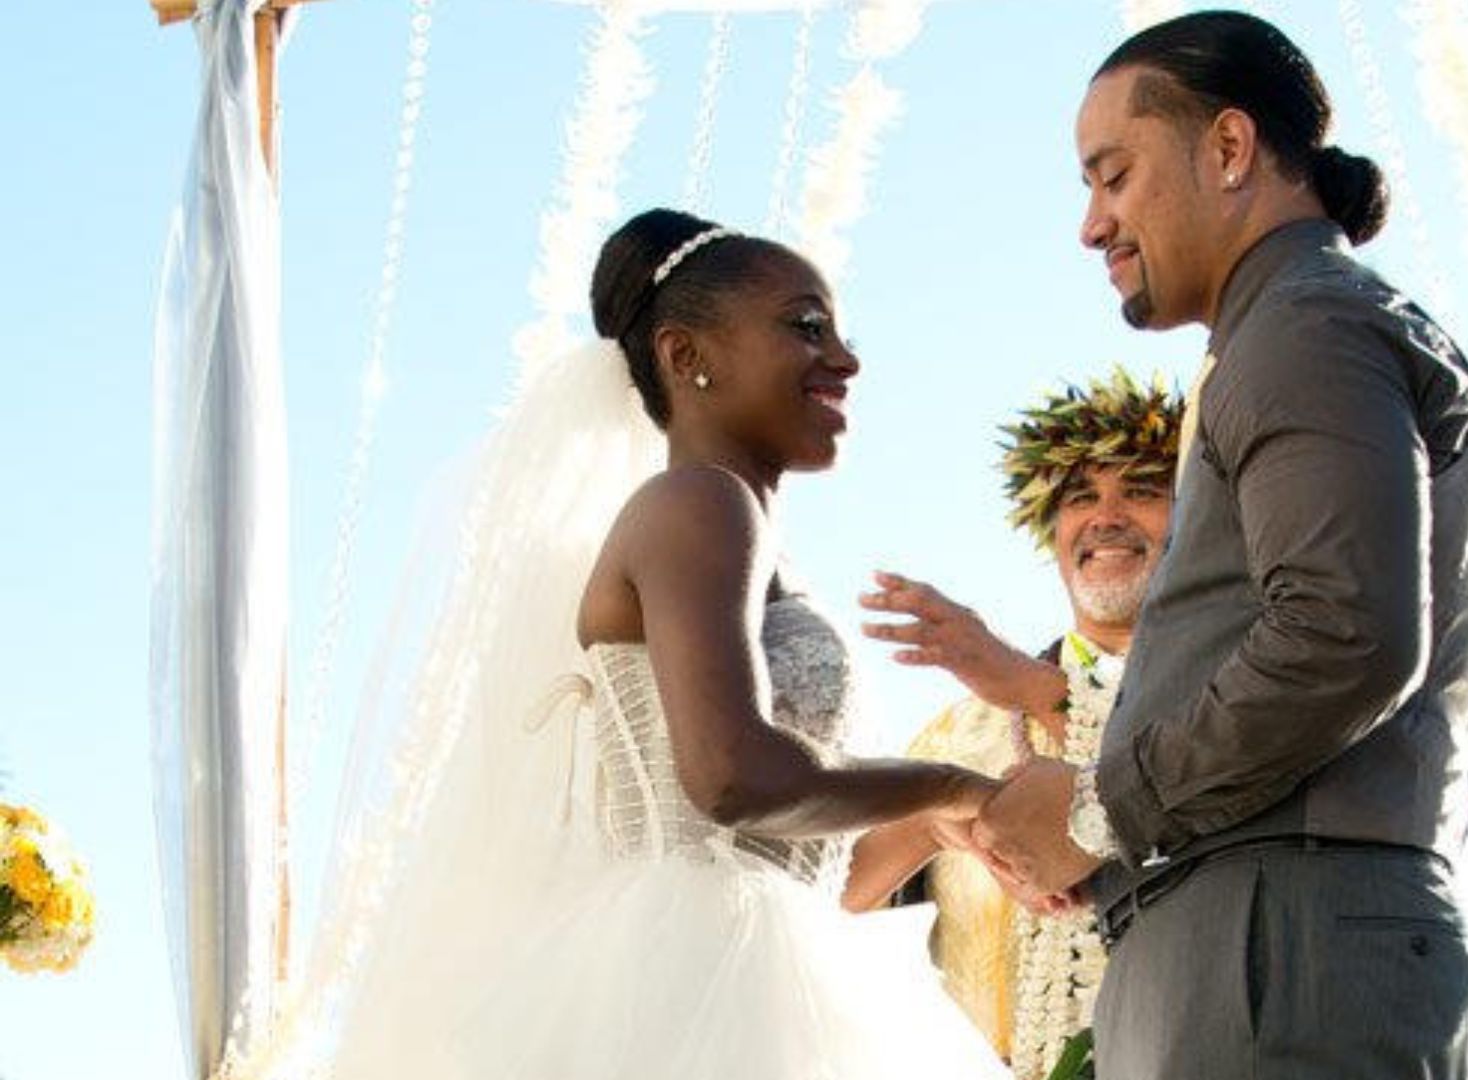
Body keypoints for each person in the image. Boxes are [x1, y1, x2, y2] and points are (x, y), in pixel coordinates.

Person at [302, 209, 1007, 1080]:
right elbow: (732, 780)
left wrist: (936, 821)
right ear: (686, 357)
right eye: (805, 326)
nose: (845, 357)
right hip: (697, 980)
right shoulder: (699, 505)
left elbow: (801, 860)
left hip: (754, 961)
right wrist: (953, 782)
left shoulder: (732, 525)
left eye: (839, 330)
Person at [971, 12, 1468, 1080]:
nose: (1091, 224)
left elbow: (1346, 635)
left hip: (1281, 949)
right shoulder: (1283, 331)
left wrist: (1096, 807)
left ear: (1228, 147)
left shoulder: (1307, 325)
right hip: (1235, 940)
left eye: (1112, 176)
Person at [841, 370, 1182, 1078]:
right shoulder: (959, 736)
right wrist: (933, 824)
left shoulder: (1247, 701)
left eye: (1144, 491)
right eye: (1080, 497)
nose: (1107, 516)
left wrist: (1024, 683)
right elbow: (831, 903)